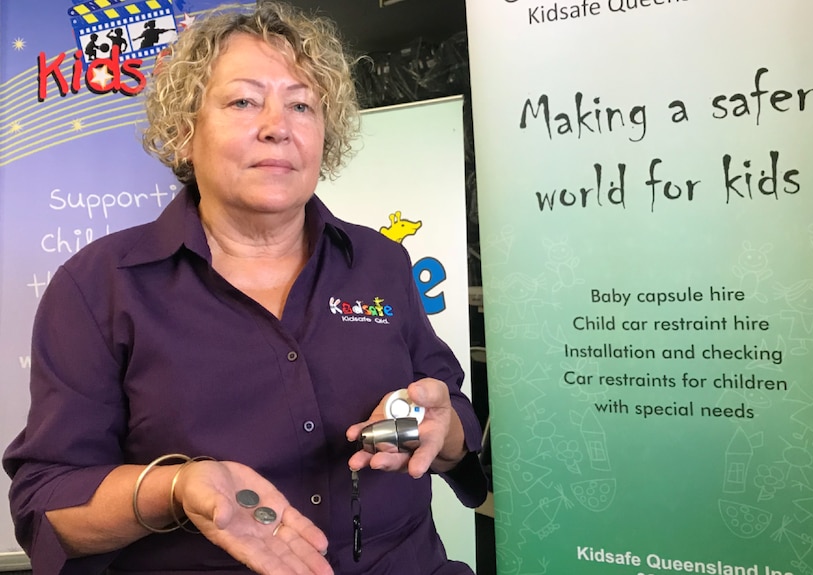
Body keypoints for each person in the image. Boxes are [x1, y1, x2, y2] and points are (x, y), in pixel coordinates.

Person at [2, 3, 487, 574]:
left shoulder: (380, 262)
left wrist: (445, 428)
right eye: (244, 101)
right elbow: (49, 505)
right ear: (184, 131)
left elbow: (449, 411)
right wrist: (177, 488)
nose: (277, 126)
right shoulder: (98, 288)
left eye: (302, 104)